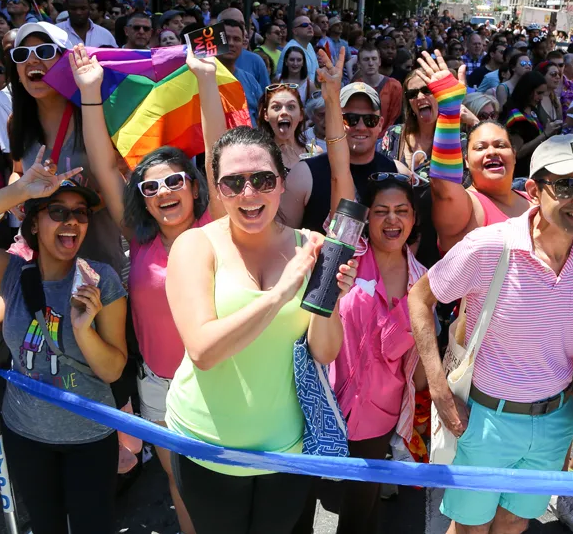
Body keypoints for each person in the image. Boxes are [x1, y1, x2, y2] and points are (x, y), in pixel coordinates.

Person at [409, 134, 573, 534]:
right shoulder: (488, 246)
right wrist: (438, 388)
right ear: (534, 191)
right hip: (485, 419)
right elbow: (420, 298)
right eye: (567, 186)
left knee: (515, 522)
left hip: (555, 419)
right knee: (470, 528)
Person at [163, 126, 355, 534]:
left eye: (263, 179)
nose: (249, 193)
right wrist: (281, 293)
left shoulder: (312, 247)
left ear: (282, 183)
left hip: (285, 449)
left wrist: (331, 299)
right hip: (205, 445)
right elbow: (203, 351)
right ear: (218, 190)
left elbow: (324, 352)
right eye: (233, 183)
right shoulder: (195, 246)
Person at [71, 43, 226, 534]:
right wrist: (90, 92)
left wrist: (205, 78)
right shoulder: (140, 240)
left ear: (195, 187)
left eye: (174, 181)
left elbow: (218, 153)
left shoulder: (216, 227)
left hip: (220, 380)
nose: (163, 193)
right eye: (151, 187)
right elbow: (102, 165)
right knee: (178, 481)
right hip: (158, 385)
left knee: (222, 485)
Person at [0, 155, 128, 534]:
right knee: (44, 526)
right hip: (25, 435)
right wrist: (21, 190)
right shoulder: (11, 273)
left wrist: (84, 330)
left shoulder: (100, 280)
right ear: (35, 224)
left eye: (80, 213)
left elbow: (112, 371)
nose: (71, 221)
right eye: (57, 211)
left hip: (90, 436)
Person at [295, 51, 424, 534]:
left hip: (378, 416)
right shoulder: (346, 251)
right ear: (364, 218)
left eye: (402, 211)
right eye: (381, 211)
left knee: (360, 516)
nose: (391, 219)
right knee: (300, 505)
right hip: (320, 403)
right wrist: (332, 100)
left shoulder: (423, 282)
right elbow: (340, 170)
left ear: (414, 220)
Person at [8, 22, 126, 276]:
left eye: (45, 52)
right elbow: (17, 170)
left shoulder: (95, 116)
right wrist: (15, 196)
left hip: (98, 259)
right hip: (42, 264)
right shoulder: (16, 123)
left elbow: (123, 176)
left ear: (67, 63)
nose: (32, 61)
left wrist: (65, 209)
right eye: (22, 55)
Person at [415, 54, 531, 254]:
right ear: (466, 161)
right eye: (480, 148)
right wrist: (449, 112)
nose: (491, 152)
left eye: (500, 145)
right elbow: (444, 188)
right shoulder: (466, 207)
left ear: (513, 154)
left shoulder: (534, 200)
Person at [282, 79, 412, 233]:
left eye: (370, 120)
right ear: (335, 121)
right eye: (351, 119)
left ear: (380, 124)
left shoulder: (398, 173)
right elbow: (282, 238)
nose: (361, 127)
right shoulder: (304, 175)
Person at [500, 71, 563, 178]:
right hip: (521, 174)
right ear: (527, 91)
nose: (541, 97)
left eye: (543, 93)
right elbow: (518, 152)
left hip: (535, 168)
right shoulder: (515, 117)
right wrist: (545, 134)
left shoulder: (532, 108)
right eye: (539, 93)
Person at [380, 72, 438, 174]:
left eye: (427, 90)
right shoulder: (393, 134)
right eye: (412, 94)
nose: (420, 97)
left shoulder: (457, 140)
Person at [260, 83, 315, 169]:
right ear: (266, 114)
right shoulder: (259, 158)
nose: (284, 112)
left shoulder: (314, 154)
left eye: (291, 107)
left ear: (301, 114)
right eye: (276, 107)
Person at [218, 8, 271, 93]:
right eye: (229, 22)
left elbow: (266, 96)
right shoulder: (201, 67)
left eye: (241, 24)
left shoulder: (254, 65)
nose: (231, 43)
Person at [355, 44, 402, 131]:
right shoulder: (354, 88)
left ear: (379, 61)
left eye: (374, 59)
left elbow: (395, 117)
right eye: (366, 59)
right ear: (359, 64)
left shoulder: (394, 86)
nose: (370, 63)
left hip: (388, 135)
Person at [276, 16, 319, 83]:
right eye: (304, 25)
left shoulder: (309, 45)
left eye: (311, 24)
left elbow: (315, 73)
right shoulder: (291, 49)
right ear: (295, 31)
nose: (310, 27)